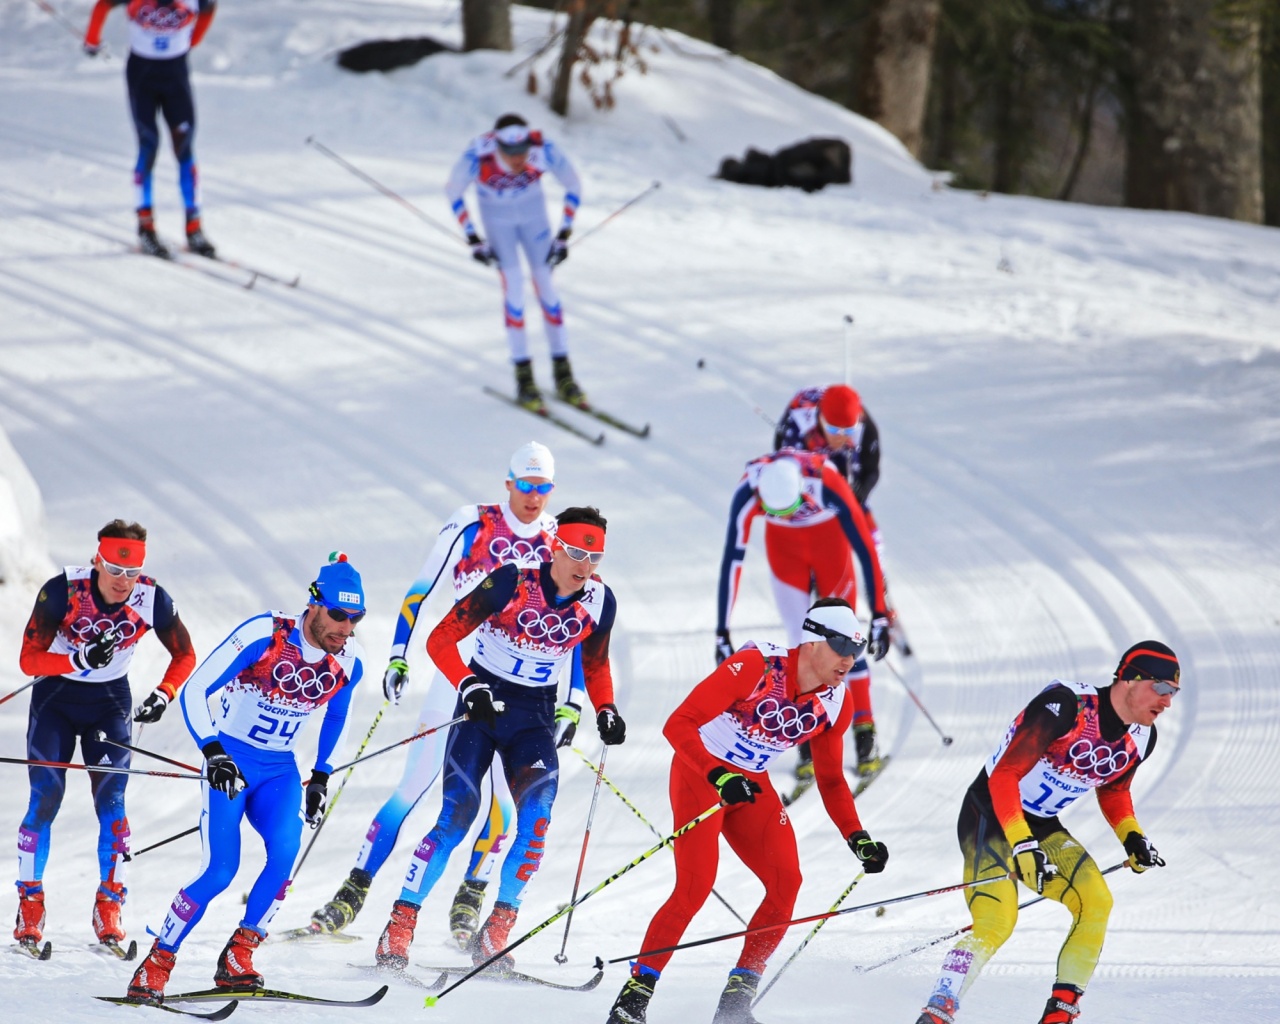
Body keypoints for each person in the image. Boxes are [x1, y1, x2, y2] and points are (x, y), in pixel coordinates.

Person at [308, 442, 587, 950]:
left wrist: (573, 698)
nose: (534, 497)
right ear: (508, 483)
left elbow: (571, 628)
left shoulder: (558, 542)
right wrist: (399, 653)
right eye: (525, 486)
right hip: (458, 669)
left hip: (523, 690)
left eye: (543, 488)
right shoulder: (471, 522)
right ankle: (355, 887)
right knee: (417, 783)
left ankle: (471, 895)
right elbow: (421, 589)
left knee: (508, 800)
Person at [605, 599, 890, 1024]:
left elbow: (830, 780)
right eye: (840, 645)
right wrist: (717, 775)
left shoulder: (835, 702)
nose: (849, 659)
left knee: (786, 882)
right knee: (695, 887)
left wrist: (857, 837)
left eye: (857, 650)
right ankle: (633, 1001)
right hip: (701, 772)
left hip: (751, 783)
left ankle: (734, 1004)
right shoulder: (758, 665)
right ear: (812, 641)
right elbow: (678, 723)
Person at [374, 506, 626, 972]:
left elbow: (594, 663)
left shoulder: (599, 601)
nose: (584, 566)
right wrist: (468, 685)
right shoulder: (511, 581)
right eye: (574, 551)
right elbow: (440, 639)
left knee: (535, 823)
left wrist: (605, 708)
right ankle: (399, 926)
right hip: (482, 708)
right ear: (555, 546)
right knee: (457, 817)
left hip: (533, 719)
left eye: (595, 556)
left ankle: (495, 935)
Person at [124, 555, 368, 1003]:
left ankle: (239, 955)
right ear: (313, 604)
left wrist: (320, 776)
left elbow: (338, 717)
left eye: (356, 618)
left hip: (279, 770)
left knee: (284, 857)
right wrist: (213, 752)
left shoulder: (349, 660)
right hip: (231, 762)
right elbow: (197, 689)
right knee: (219, 870)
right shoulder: (265, 634)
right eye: (337, 614)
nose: (345, 628)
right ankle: (157, 963)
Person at [914, 641, 1179, 1024]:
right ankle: (939, 1008)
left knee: (1096, 901)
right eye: (1162, 689)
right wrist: (1022, 843)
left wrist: (1132, 836)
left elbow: (1114, 789)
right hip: (989, 813)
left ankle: (1060, 1015)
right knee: (997, 921)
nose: (1167, 702)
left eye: (1174, 693)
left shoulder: (1141, 738)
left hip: (1042, 825)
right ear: (1130, 679)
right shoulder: (1067, 705)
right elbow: (1004, 775)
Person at [15, 519, 195, 956]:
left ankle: (109, 905)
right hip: (56, 698)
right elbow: (28, 660)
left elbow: (185, 654)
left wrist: (164, 694)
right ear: (98, 560)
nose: (123, 582)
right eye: (115, 570)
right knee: (45, 797)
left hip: (110, 703)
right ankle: (30, 905)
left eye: (131, 573)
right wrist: (76, 657)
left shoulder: (152, 598)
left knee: (112, 805)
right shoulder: (63, 590)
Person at [715, 449, 890, 779]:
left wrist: (879, 613)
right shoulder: (749, 489)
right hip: (785, 554)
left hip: (829, 545)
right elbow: (731, 560)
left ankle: (864, 731)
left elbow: (865, 548)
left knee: (845, 639)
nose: (788, 514)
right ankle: (806, 737)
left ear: (801, 492)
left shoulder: (825, 481)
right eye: (775, 512)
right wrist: (721, 630)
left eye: (793, 508)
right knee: (803, 646)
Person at [445, 112, 586, 411]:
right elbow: (453, 191)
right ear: (497, 146)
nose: (517, 158)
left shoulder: (543, 148)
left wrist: (563, 234)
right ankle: (524, 377)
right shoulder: (478, 153)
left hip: (534, 218)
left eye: (521, 151)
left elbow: (573, 185)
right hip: (498, 222)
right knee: (515, 290)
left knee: (546, 287)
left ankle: (563, 373)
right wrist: (473, 238)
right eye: (509, 153)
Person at [82, 0, 219, 259]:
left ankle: (194, 227)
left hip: (175, 75)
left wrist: (191, 42)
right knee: (148, 145)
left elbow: (209, 8)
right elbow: (103, 5)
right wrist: (91, 40)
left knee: (185, 147)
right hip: (142, 75)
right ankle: (146, 228)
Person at [774, 384, 880, 507]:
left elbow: (871, 470)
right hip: (808, 451)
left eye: (848, 431)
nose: (840, 437)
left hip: (844, 461)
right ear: (821, 419)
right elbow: (783, 467)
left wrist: (858, 494)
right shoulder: (796, 424)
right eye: (833, 430)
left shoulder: (865, 427)